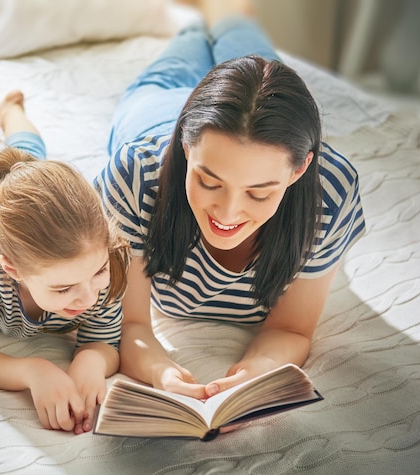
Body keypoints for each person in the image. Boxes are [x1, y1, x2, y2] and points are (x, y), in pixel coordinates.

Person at [95, 11, 365, 400]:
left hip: (231, 118)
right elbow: (132, 323)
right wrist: (162, 374)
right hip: (155, 115)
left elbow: (291, 330)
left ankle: (227, 13)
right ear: (187, 150)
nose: (226, 212)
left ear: (299, 169)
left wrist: (255, 371)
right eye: (209, 182)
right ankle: (191, 21)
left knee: (253, 55)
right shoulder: (133, 176)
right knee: (177, 60)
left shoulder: (331, 192)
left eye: (259, 192)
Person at [0, 86, 130, 434]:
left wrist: (90, 361)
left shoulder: (102, 248)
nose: (90, 297)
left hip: (40, 206)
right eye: (63, 289)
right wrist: (35, 371)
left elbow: (104, 339)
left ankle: (10, 109)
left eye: (99, 273)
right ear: (11, 269)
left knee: (28, 156)